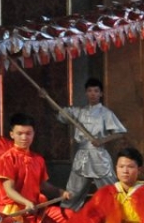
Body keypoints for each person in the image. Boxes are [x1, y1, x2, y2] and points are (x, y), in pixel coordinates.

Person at [0, 113, 72, 223]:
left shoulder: (38, 159)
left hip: (36, 209)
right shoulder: (7, 158)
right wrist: (25, 202)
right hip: (14, 213)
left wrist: (61, 192)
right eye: (20, 133)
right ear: (12, 134)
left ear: (33, 134)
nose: (24, 137)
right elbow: (9, 190)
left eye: (28, 133)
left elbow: (43, 185)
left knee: (69, 216)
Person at [53, 78, 127, 211]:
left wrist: (102, 141)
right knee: (73, 191)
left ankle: (120, 214)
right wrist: (46, 97)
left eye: (96, 91)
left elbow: (120, 132)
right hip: (82, 156)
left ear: (101, 94)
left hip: (99, 156)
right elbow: (60, 112)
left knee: (111, 191)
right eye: (90, 91)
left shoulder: (106, 113)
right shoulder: (78, 112)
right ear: (86, 93)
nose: (93, 94)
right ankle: (66, 216)